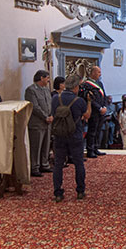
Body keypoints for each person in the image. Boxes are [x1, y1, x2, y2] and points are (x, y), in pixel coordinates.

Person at [50, 74, 90, 202]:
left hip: (59, 134)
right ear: (76, 87)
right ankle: (80, 190)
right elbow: (87, 115)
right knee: (78, 163)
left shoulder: (56, 98)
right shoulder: (79, 101)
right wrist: (89, 101)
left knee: (58, 164)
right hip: (75, 135)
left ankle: (58, 192)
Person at [25, 69, 53, 177]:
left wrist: (51, 115)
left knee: (46, 145)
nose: (48, 80)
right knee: (36, 146)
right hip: (37, 123)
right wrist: (45, 117)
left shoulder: (46, 90)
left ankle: (44, 164)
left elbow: (49, 103)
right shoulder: (31, 90)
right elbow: (34, 106)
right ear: (41, 78)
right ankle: (34, 167)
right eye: (47, 78)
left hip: (47, 122)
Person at [82, 66, 108, 158]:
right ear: (93, 73)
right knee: (92, 131)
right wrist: (99, 108)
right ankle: (90, 149)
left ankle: (96, 147)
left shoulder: (99, 83)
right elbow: (90, 99)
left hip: (101, 111)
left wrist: (104, 106)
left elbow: (104, 96)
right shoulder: (87, 84)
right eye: (98, 72)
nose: (100, 74)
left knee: (98, 130)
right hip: (93, 111)